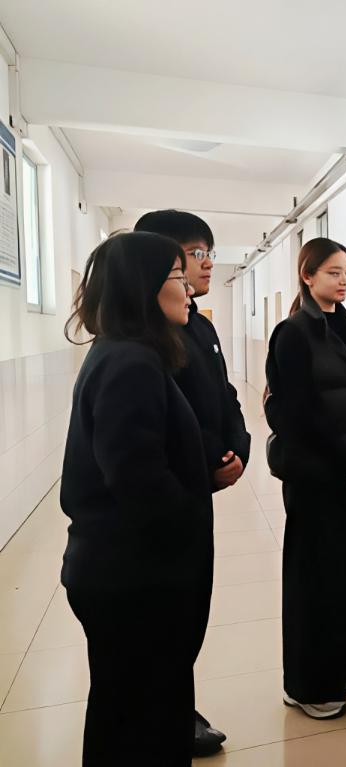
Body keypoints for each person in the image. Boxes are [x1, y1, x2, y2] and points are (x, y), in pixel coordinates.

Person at [60, 232, 213, 767]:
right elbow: (138, 479)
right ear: (143, 285)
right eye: (178, 276)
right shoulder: (131, 363)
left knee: (124, 710)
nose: (188, 289)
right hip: (133, 580)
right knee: (140, 722)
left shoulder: (125, 353)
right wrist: (189, 515)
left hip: (123, 573)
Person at [134, 209, 249, 755]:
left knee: (190, 613)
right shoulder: (147, 342)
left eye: (208, 253)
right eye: (195, 254)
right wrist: (209, 457)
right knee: (167, 621)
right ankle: (168, 718)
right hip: (175, 493)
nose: (206, 264)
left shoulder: (197, 325)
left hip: (198, 491)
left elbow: (224, 396)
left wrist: (238, 448)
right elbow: (169, 418)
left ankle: (180, 708)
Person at [263, 237, 346, 719]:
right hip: (317, 478)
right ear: (307, 275)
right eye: (333, 272)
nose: (342, 280)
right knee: (318, 580)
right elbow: (298, 414)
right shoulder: (292, 334)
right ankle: (310, 685)